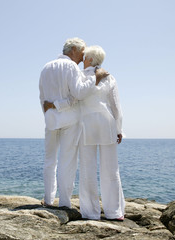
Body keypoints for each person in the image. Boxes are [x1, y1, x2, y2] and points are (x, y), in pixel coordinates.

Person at [39, 38, 108, 207]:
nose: (83, 56)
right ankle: (64, 203)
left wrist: (50, 110)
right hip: (70, 119)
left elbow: (42, 97)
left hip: (50, 120)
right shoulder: (71, 67)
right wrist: (95, 80)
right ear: (74, 50)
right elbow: (78, 93)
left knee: (49, 161)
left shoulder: (46, 67)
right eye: (82, 52)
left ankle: (48, 200)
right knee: (67, 162)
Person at [78, 45, 125, 220]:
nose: (82, 61)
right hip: (107, 124)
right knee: (111, 169)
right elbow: (116, 106)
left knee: (87, 169)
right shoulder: (109, 77)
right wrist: (119, 129)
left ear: (90, 59)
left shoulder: (80, 76)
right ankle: (115, 212)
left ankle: (91, 213)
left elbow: (76, 99)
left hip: (86, 125)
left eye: (84, 58)